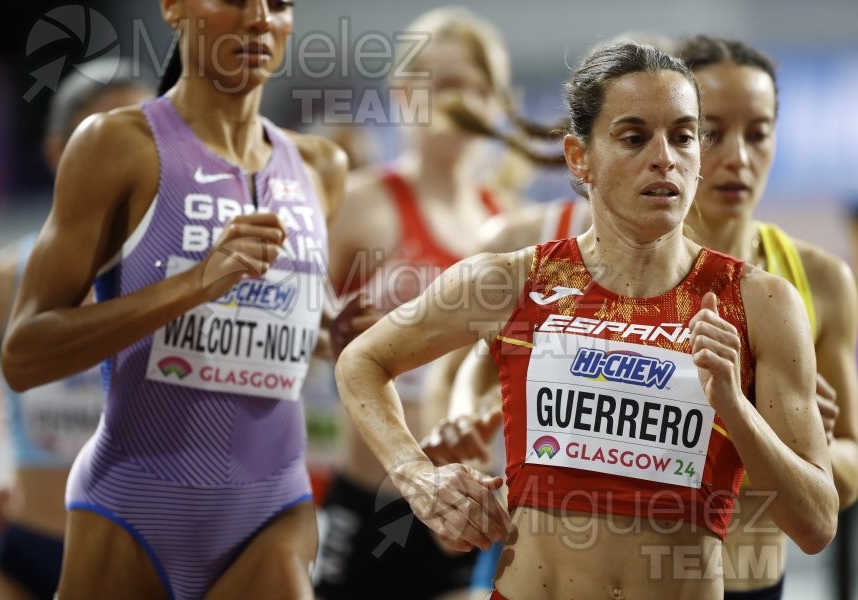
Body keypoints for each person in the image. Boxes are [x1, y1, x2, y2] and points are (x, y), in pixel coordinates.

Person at [335, 41, 838, 600]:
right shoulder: (511, 280)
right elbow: (362, 360)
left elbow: (816, 524)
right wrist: (417, 478)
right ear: (580, 158)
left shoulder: (762, 302)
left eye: (684, 136)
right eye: (633, 137)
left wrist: (735, 408)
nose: (664, 157)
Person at [0, 0, 348, 597]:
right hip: (132, 507)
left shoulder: (320, 167)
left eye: (281, 3)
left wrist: (339, 334)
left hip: (272, 506)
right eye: (237, 1)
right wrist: (194, 284)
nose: (261, 18)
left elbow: (286, 331)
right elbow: (25, 356)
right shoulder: (117, 144)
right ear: (172, 8)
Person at [313, 8, 526, 598]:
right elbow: (286, 331)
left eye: (477, 87)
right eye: (444, 84)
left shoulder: (510, 226)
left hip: (468, 511)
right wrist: (346, 338)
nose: (461, 101)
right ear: (405, 93)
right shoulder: (361, 204)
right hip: (375, 498)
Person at [0, 59, 151, 600]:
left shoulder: (199, 278)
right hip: (33, 555)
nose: (123, 162)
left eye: (140, 137)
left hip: (150, 566)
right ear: (56, 154)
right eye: (100, 140)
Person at [677, 35, 858, 599]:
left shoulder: (820, 279)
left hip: (753, 581)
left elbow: (847, 463)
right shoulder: (615, 273)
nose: (739, 157)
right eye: (713, 132)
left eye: (758, 133)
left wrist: (785, 437)